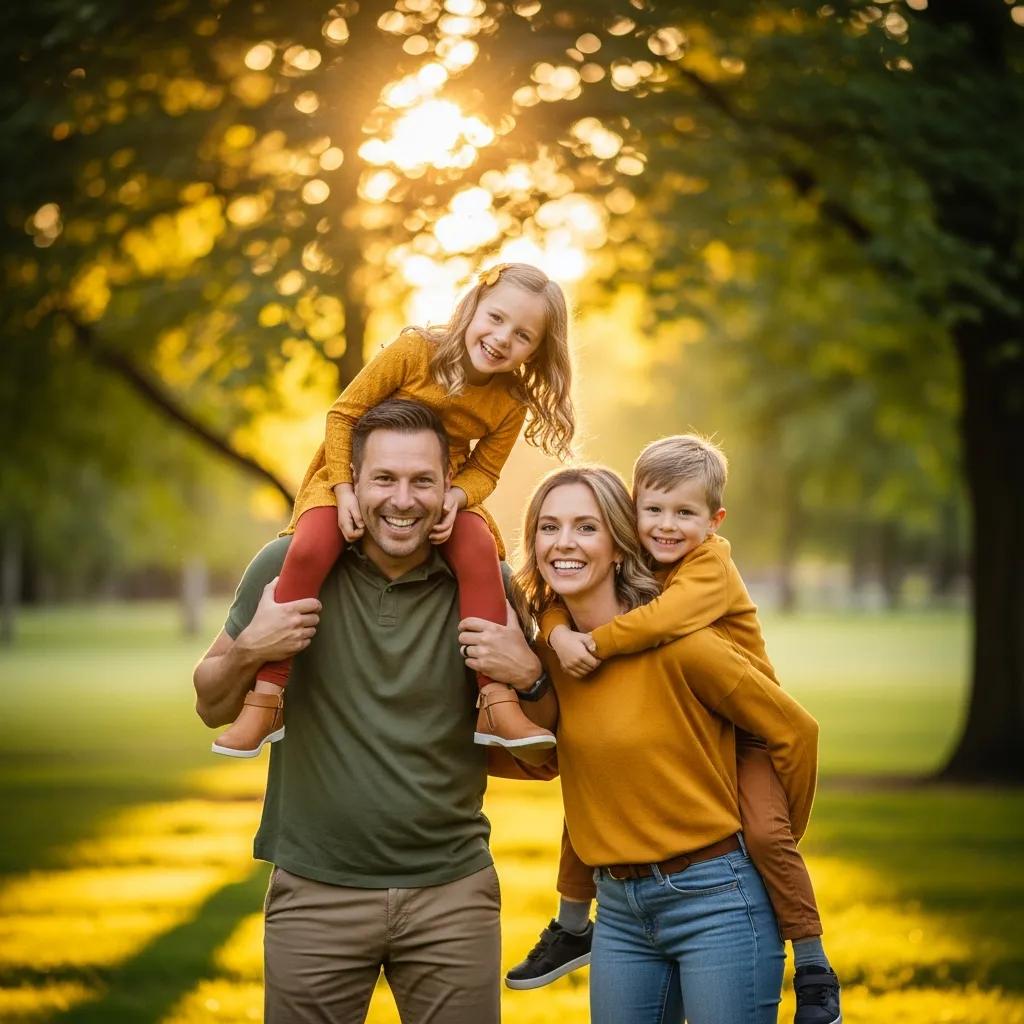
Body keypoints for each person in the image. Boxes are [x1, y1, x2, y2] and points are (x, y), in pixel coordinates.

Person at [194, 400, 554, 1024]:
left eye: (423, 481)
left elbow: (550, 744)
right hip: (315, 892)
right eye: (384, 479)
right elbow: (209, 703)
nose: (403, 499)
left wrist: (530, 674)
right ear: (351, 485)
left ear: (450, 488)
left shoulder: (485, 580)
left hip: (452, 893)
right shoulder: (285, 567)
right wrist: (254, 646)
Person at [465, 465, 819, 1024]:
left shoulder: (686, 646)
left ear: (618, 544)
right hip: (621, 911)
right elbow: (545, 761)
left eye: (586, 526)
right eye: (549, 527)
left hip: (718, 900)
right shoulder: (552, 654)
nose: (564, 542)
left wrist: (769, 838)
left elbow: (795, 732)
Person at [212, 262, 574, 758]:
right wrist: (342, 488)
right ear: (474, 305)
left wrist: (456, 497)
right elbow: (343, 414)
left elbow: (485, 471)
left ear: (536, 351)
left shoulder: (509, 401)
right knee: (310, 546)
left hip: (440, 493)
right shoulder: (416, 351)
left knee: (478, 552)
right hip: (350, 476)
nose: (501, 338)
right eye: (495, 318)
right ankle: (266, 698)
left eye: (523, 335)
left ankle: (496, 698)